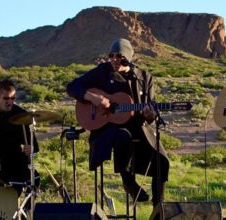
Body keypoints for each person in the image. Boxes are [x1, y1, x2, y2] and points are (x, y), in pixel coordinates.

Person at [66, 38, 170, 208]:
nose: (114, 59)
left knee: (162, 160)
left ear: (128, 57)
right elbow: (72, 87)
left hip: (138, 128)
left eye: (119, 56)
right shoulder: (101, 72)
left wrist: (150, 115)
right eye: (111, 56)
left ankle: (159, 208)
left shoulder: (143, 77)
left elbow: (151, 114)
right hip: (107, 128)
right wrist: (93, 97)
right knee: (122, 136)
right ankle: (128, 181)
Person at [0, 79, 40, 195]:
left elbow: (34, 146)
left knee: (34, 179)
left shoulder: (21, 115)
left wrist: (31, 149)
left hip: (12, 160)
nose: (10, 102)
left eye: (13, 98)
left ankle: (24, 211)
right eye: (6, 98)